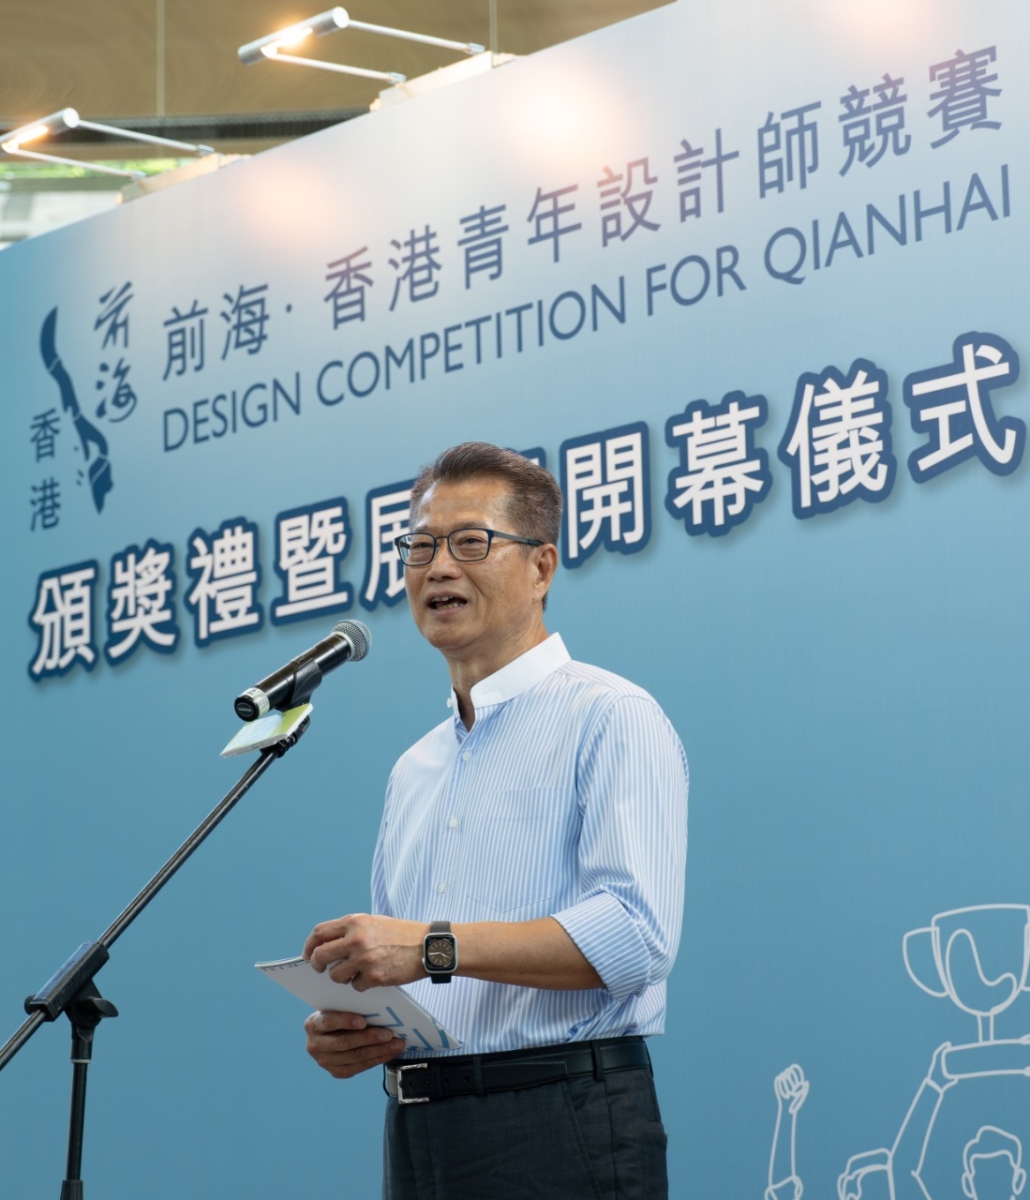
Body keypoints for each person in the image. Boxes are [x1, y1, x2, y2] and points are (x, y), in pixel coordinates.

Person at [302, 442, 688, 1199]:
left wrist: (430, 947)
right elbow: (412, 970)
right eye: (420, 546)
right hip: (420, 1126)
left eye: (470, 542)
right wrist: (363, 1028)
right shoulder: (413, 770)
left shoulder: (610, 716)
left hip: (562, 1116)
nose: (439, 568)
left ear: (542, 568)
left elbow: (635, 935)